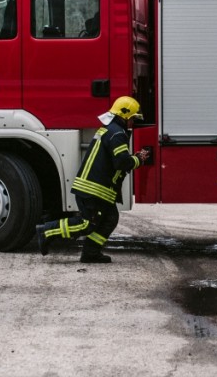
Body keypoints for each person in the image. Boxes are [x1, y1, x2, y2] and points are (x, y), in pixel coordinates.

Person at [35, 96, 150, 263]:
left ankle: (91, 253)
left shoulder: (111, 129)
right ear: (124, 116)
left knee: (110, 219)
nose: (133, 123)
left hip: (96, 189)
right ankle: (46, 231)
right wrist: (138, 159)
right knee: (86, 224)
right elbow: (121, 162)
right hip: (94, 190)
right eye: (132, 119)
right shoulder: (117, 133)